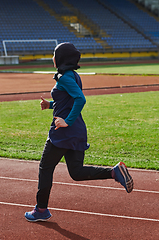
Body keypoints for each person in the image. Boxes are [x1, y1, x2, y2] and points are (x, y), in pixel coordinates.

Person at [24, 42, 133, 222]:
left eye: (54, 54)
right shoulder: (72, 76)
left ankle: (41, 210)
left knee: (45, 169)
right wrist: (50, 105)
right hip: (77, 132)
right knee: (76, 172)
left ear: (60, 58)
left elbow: (80, 100)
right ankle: (114, 172)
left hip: (62, 134)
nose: (52, 57)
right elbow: (67, 101)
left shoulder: (65, 77)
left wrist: (66, 121)